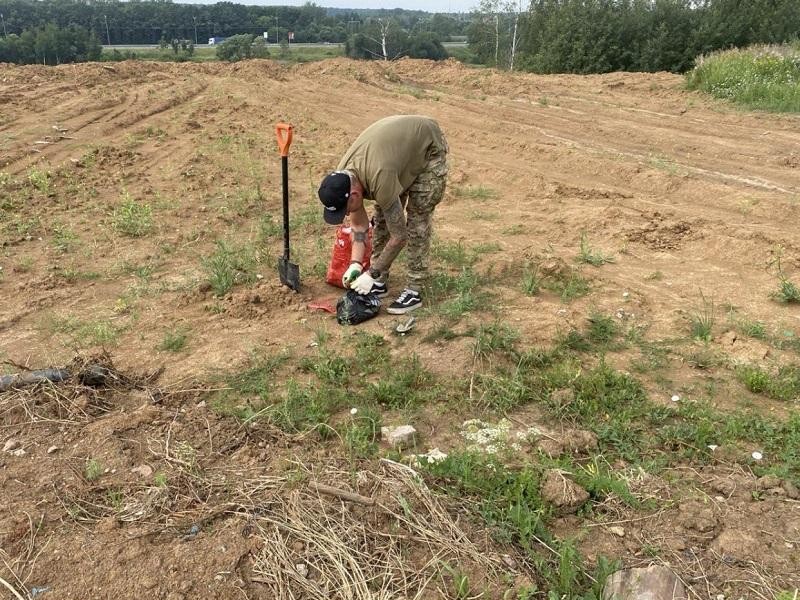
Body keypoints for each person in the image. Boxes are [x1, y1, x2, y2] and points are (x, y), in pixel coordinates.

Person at [317, 115, 448, 314]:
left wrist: (370, 272)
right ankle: (380, 280)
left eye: (346, 209)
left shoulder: (379, 178)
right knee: (382, 220)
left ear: (354, 195)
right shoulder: (345, 175)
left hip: (426, 147)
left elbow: (399, 237)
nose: (347, 214)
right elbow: (359, 227)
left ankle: (415, 288)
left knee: (416, 220)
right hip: (396, 157)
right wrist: (355, 264)